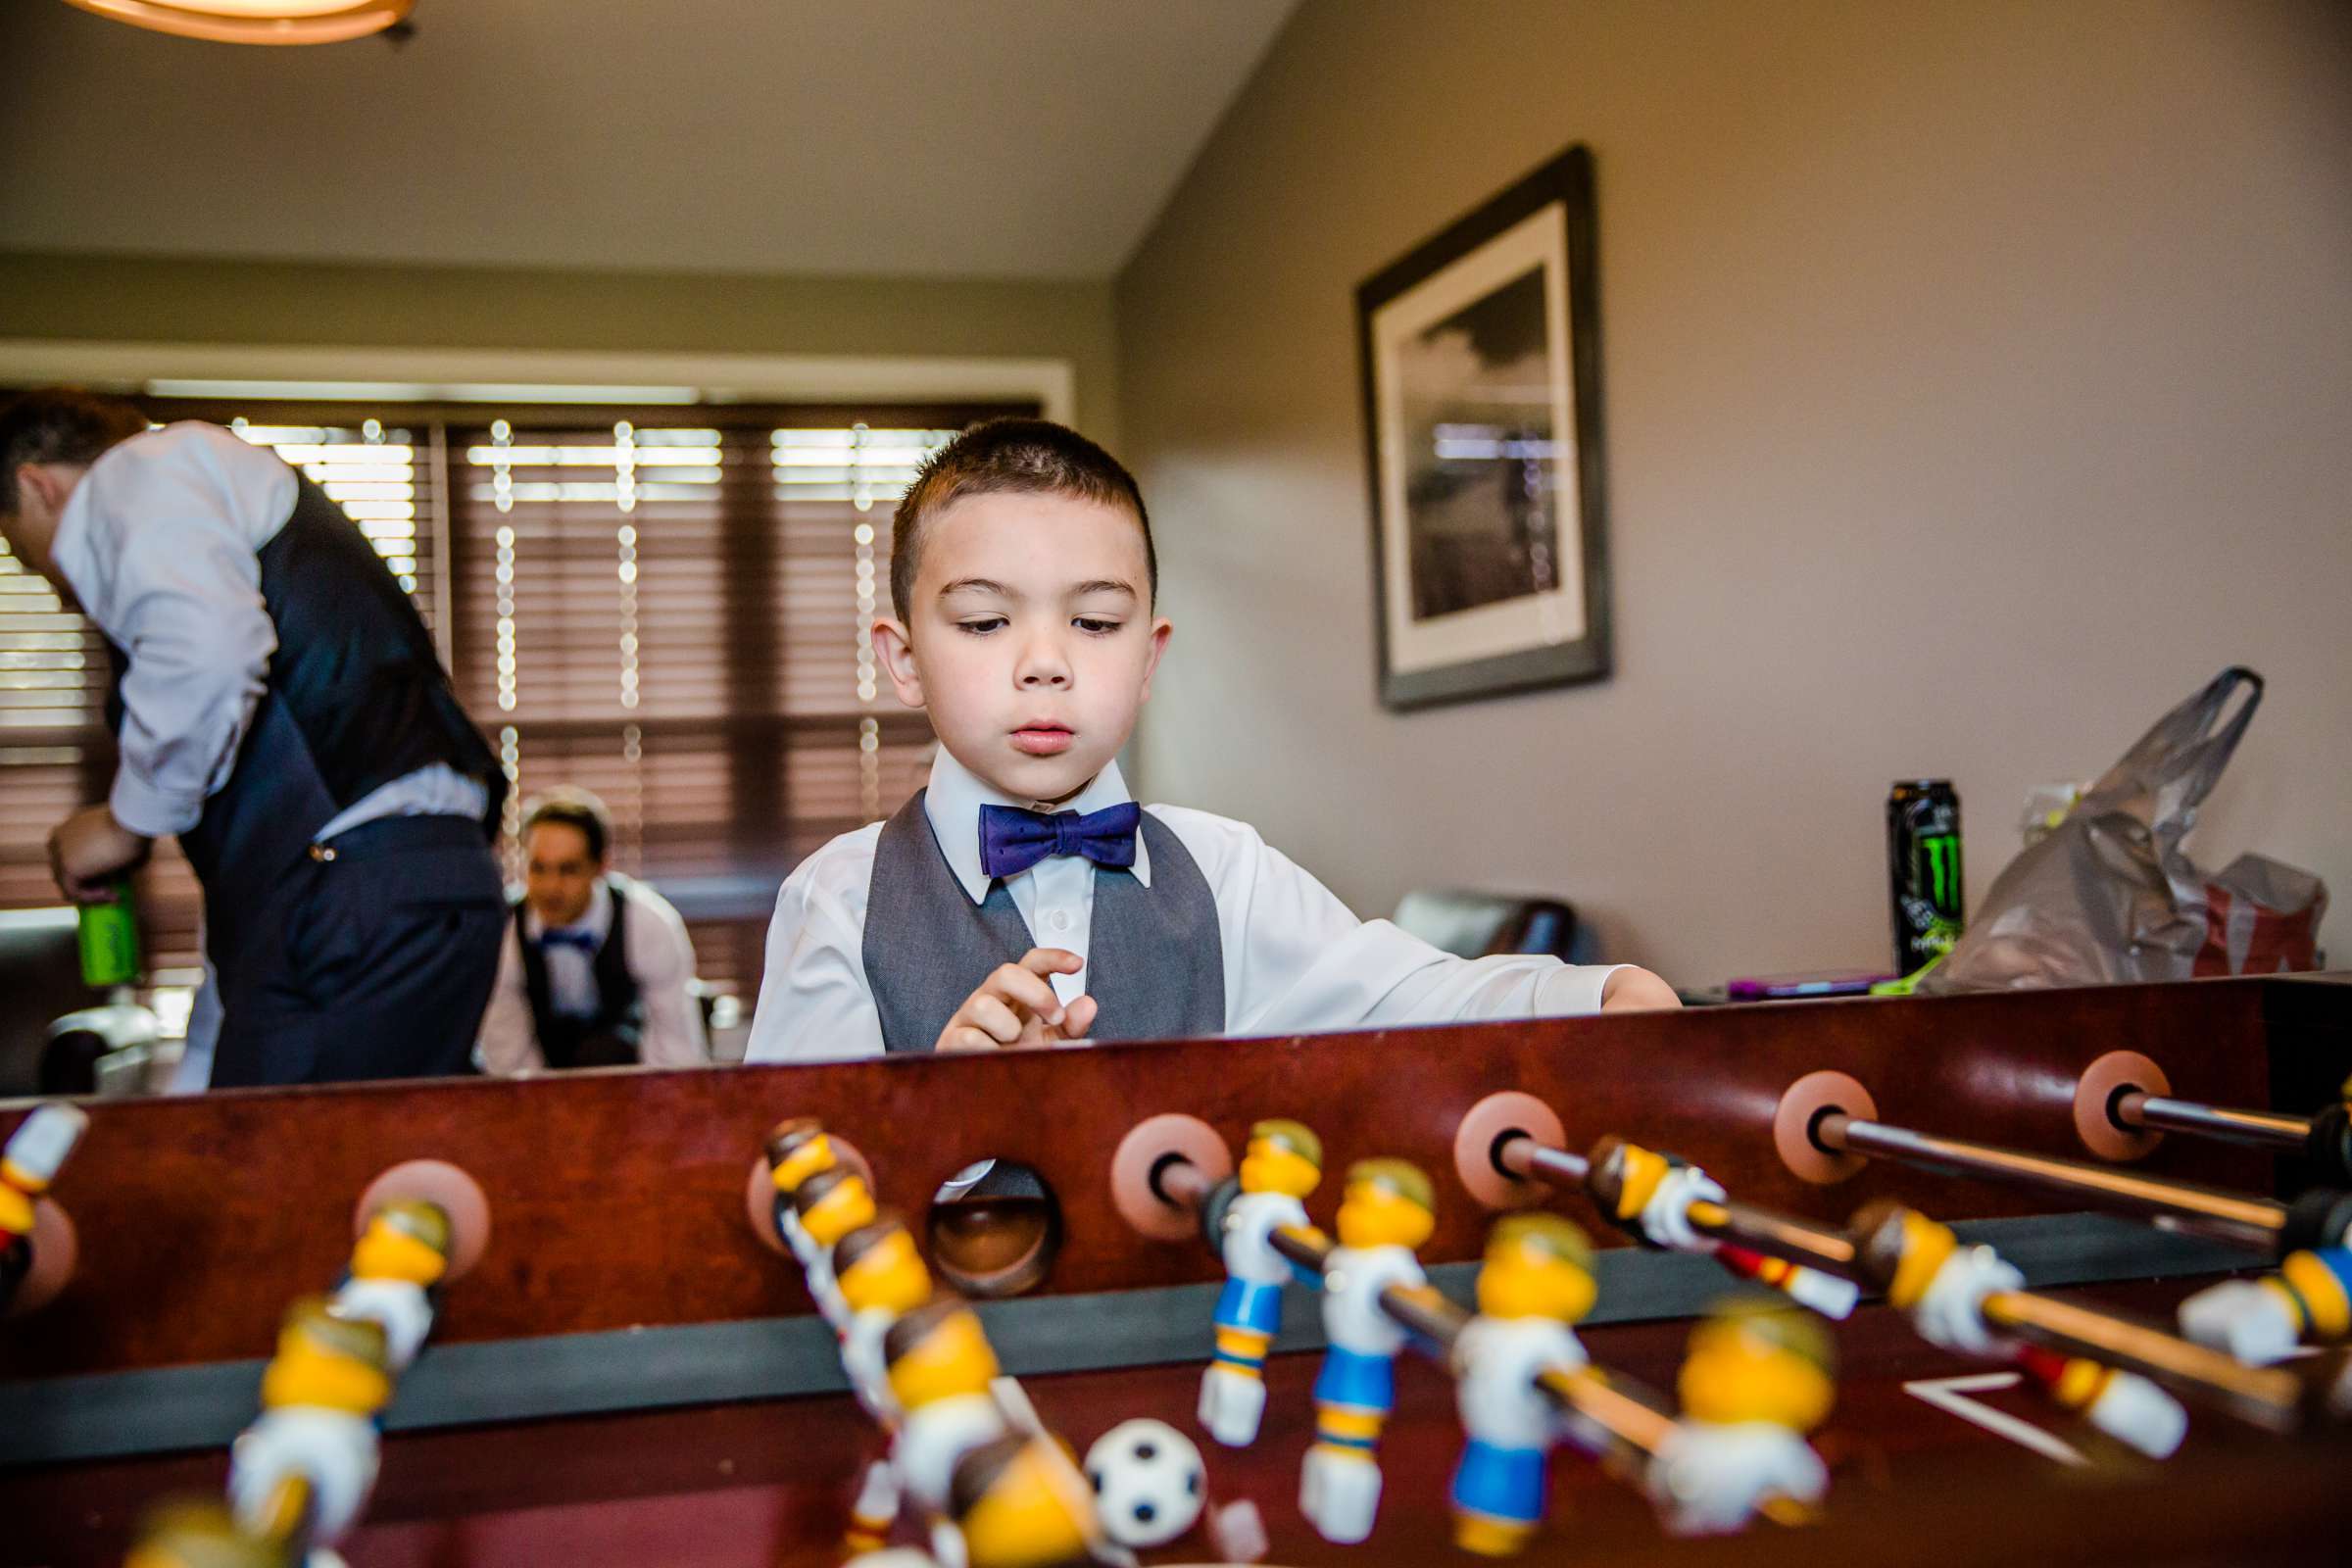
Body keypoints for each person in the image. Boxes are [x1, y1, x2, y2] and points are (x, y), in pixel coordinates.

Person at [746, 417, 1677, 1064]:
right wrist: (939, 1117)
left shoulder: (1229, 873)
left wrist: (1592, 995)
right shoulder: (836, 901)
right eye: (987, 623)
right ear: (903, 660)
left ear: (1149, 659)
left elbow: (1411, 993)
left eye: (1097, 624)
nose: (1045, 663)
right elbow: (790, 1186)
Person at [0, 388, 506, 1087]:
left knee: (289, 1183)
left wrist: (124, 822)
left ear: (39, 485)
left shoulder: (139, 472)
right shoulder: (193, 506)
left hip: (358, 893)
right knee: (281, 1161)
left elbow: (209, 651)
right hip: (373, 891)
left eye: (20, 552)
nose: (55, 591)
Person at [475, 790, 708, 1072]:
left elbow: (676, 1051)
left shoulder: (649, 924)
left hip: (627, 1070)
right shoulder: (503, 930)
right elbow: (508, 1059)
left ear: (602, 866)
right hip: (540, 1069)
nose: (551, 887)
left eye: (568, 869)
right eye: (539, 868)